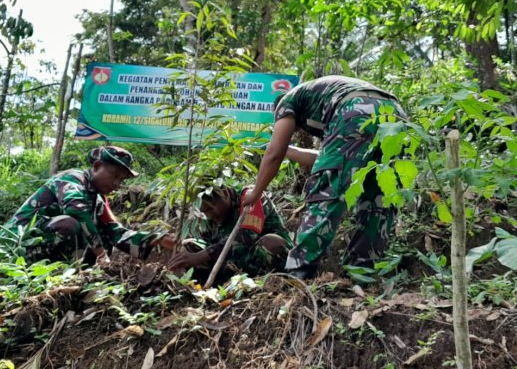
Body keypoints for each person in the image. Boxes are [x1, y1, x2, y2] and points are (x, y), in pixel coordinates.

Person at [243, 75, 408, 279]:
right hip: (395, 114)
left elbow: (273, 154)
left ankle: (299, 270)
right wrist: (288, 149)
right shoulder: (321, 98)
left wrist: (256, 192)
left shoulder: (286, 103)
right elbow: (329, 158)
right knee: (379, 195)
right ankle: (361, 269)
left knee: (327, 189)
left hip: (356, 110)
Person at [0, 146, 175, 263]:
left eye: (121, 180)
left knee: (103, 235)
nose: (117, 184)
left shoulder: (98, 200)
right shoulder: (72, 178)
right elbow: (75, 209)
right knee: (70, 224)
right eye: (115, 175)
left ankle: (77, 276)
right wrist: (101, 254)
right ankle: (59, 275)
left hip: (38, 246)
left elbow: (116, 233)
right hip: (14, 247)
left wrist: (157, 239)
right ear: (97, 166)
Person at [167, 185, 292, 277]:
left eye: (210, 208)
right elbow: (207, 243)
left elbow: (245, 238)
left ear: (225, 193)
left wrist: (199, 257)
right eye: (204, 212)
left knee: (270, 242)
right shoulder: (208, 218)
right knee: (189, 246)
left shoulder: (250, 197)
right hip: (234, 266)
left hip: (260, 260)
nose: (209, 215)